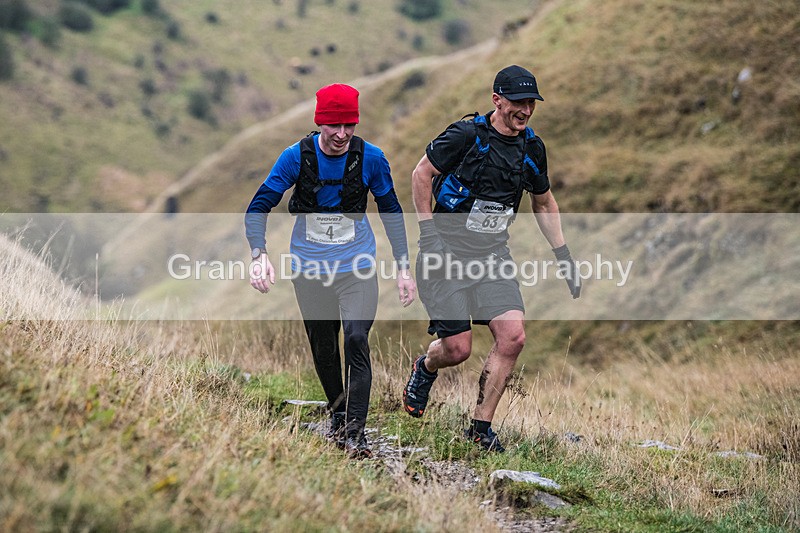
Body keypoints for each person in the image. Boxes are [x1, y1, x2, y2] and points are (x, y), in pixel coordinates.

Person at [402, 65, 580, 452]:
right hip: (444, 251)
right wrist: (428, 234)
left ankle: (480, 430)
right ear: (496, 99)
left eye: (531, 102)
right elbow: (421, 174)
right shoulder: (465, 135)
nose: (526, 110)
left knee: (513, 338)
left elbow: (544, 201)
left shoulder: (532, 148)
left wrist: (562, 254)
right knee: (457, 350)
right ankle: (426, 366)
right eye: (518, 102)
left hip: (492, 255)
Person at [246, 83, 416, 459]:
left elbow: (391, 211)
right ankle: (338, 415)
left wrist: (404, 267)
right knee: (324, 348)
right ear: (319, 122)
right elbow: (258, 207)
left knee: (356, 337)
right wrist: (259, 254)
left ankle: (356, 433)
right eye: (334, 126)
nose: (342, 134)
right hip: (309, 269)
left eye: (350, 125)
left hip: (357, 266)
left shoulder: (371, 159)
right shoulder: (295, 158)